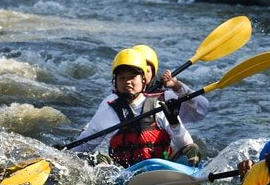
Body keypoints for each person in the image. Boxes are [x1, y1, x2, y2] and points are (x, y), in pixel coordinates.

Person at [70, 48, 200, 167]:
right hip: (122, 173)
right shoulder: (108, 109)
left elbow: (185, 144)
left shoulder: (160, 105)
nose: (127, 81)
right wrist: (61, 155)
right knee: (95, 159)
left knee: (192, 150)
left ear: (144, 80)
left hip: (161, 168)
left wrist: (174, 124)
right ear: (115, 82)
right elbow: (83, 147)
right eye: (122, 77)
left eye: (132, 77)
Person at [132, 44, 210, 125]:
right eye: (136, 72)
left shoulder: (165, 98)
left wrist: (177, 86)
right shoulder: (118, 98)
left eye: (146, 71)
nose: (142, 75)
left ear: (153, 73)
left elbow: (202, 109)